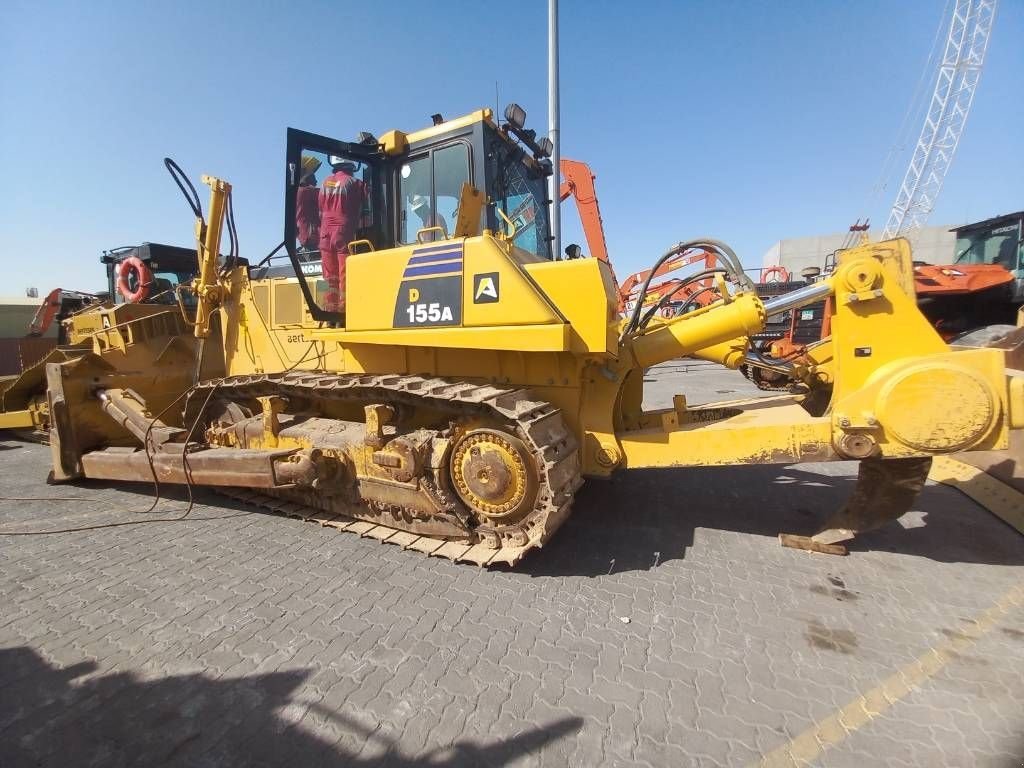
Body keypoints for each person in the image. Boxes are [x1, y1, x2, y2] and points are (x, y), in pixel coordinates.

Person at [318, 156, 367, 313]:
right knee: (345, 273)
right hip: (343, 232)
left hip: (325, 234)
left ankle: (328, 309)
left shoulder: (325, 182)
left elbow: (320, 206)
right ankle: (343, 310)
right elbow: (367, 207)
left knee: (327, 275)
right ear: (351, 166)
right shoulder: (355, 183)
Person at [295, 155, 321, 258]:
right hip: (312, 240)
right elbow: (331, 194)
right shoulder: (306, 191)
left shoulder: (298, 191)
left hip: (306, 240)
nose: (316, 181)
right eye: (313, 176)